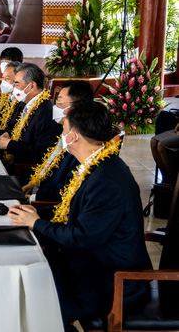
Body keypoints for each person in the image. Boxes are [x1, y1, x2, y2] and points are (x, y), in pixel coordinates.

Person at [8, 102, 151, 329]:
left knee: (29, 292)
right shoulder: (96, 164)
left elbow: (81, 237)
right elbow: (74, 212)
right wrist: (36, 214)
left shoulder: (106, 181)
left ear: (73, 137)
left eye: (63, 130)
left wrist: (35, 224)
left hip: (110, 280)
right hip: (93, 263)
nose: (61, 135)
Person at [22, 80, 95, 203]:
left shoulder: (81, 140)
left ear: (75, 107)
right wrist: (33, 184)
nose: (55, 106)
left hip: (50, 204)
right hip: (41, 190)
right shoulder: (63, 130)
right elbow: (50, 162)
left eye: (60, 101)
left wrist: (34, 199)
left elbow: (68, 187)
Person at [0, 63, 61, 168]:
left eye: (17, 84)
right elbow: (22, 134)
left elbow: (40, 153)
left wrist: (10, 144)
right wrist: (8, 135)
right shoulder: (27, 104)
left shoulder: (46, 112)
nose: (14, 88)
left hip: (25, 169)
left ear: (32, 86)